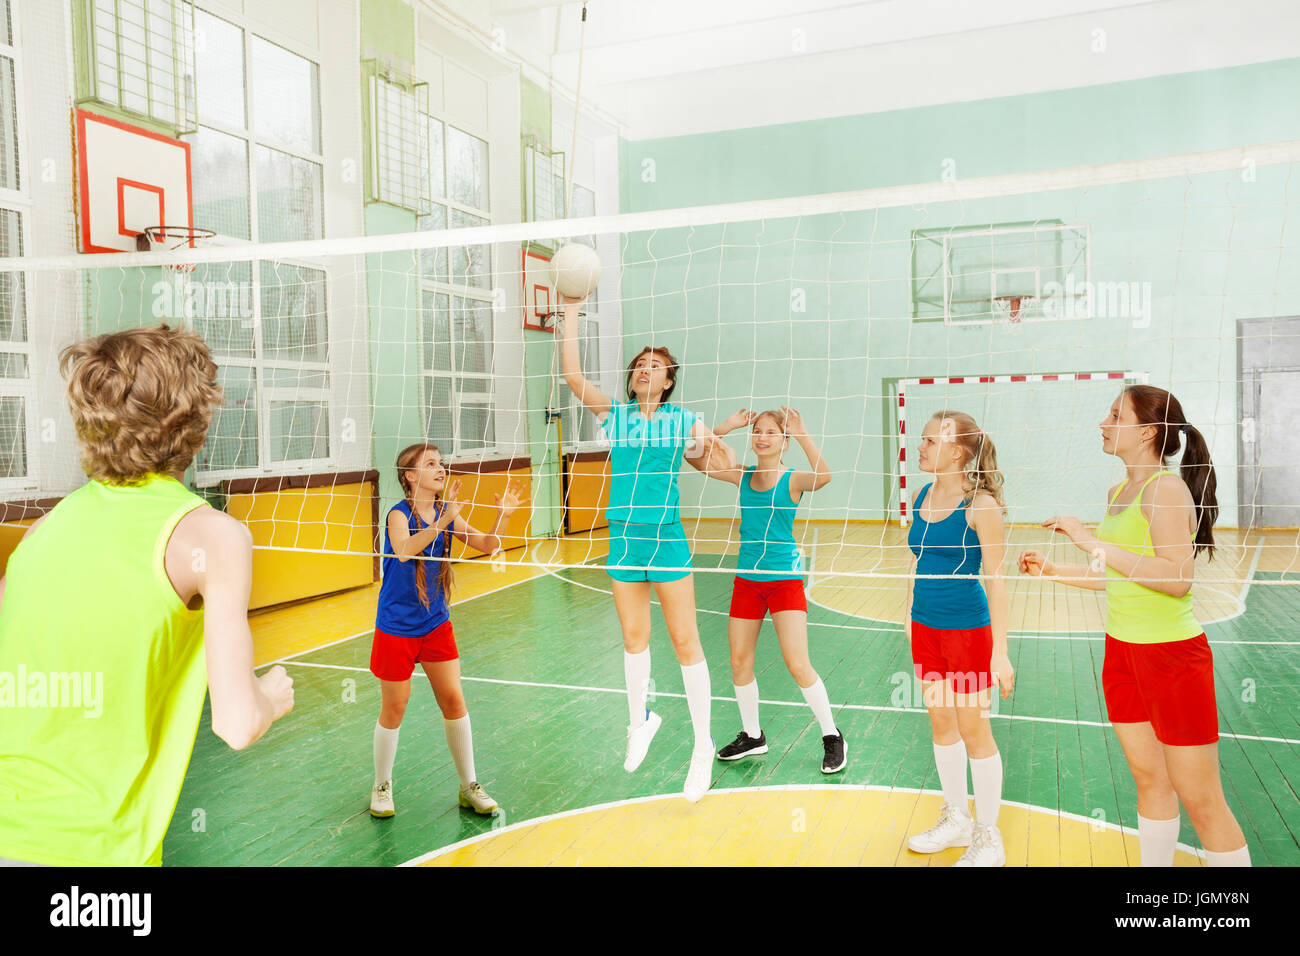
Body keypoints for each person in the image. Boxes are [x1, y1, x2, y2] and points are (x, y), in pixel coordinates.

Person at [0, 324, 294, 866]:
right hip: (91, 859)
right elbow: (238, 724)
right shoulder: (212, 536)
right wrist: (268, 699)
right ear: (198, 421)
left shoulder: (42, 532)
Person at [1019, 385, 1250, 867]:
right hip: (1122, 653)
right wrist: (1057, 570)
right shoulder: (1118, 491)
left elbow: (1176, 579)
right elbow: (1119, 574)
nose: (1103, 424)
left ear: (1146, 432)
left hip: (1171, 657)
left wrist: (1087, 540)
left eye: (1115, 415)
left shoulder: (1165, 489)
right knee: (1149, 781)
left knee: (1201, 798)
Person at [558, 293, 734, 802]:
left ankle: (702, 746)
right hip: (623, 539)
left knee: (685, 644)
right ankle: (641, 721)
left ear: (669, 379)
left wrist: (721, 449)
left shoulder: (684, 419)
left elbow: (712, 457)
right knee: (634, 640)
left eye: (654, 366)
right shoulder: (615, 415)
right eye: (638, 364)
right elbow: (573, 377)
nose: (643, 370)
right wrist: (571, 313)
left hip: (666, 539)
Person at [369, 443, 527, 818]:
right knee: (395, 706)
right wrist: (444, 520)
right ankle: (381, 785)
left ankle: (468, 784)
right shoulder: (398, 514)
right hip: (396, 626)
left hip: (435, 622)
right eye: (431, 464)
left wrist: (503, 516)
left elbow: (489, 545)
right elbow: (404, 549)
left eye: (441, 463)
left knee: (454, 700)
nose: (441, 469)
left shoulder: (445, 513)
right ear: (410, 476)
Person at [699, 407, 845, 772]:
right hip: (747, 581)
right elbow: (696, 457)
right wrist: (727, 426)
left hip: (784, 581)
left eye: (771, 432)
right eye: (758, 431)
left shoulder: (792, 479)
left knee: (797, 664)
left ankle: (832, 735)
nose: (762, 437)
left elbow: (825, 476)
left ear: (784, 441)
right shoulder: (742, 475)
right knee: (738, 661)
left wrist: (803, 432)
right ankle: (753, 736)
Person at [904, 410, 1013, 867]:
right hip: (924, 628)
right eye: (923, 439)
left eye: (931, 441)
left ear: (959, 451)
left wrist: (1000, 653)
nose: (921, 447)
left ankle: (989, 837)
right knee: (941, 724)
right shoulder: (921, 493)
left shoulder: (981, 506)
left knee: (974, 729)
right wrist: (909, 619)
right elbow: (919, 563)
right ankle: (957, 820)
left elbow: (997, 579)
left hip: (968, 632)